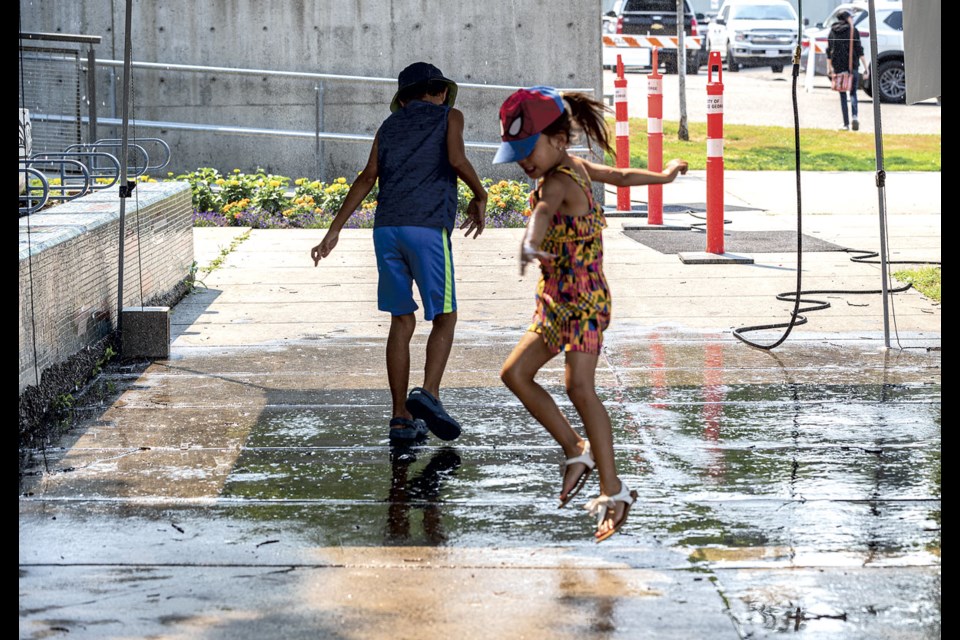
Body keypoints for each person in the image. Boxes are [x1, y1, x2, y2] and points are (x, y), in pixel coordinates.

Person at [494, 86, 687, 542]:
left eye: (528, 150)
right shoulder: (570, 167)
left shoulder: (560, 179)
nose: (523, 162)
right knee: (515, 374)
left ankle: (613, 490)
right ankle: (575, 448)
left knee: (579, 387)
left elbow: (542, 212)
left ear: (558, 138)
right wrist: (662, 176)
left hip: (583, 301)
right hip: (555, 300)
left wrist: (529, 240)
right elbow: (618, 175)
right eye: (516, 153)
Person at [312, 62, 487, 445]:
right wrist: (480, 193)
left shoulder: (389, 126)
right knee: (445, 315)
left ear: (404, 98)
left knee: (401, 320)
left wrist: (334, 230)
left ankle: (399, 418)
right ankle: (430, 395)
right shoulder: (450, 116)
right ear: (440, 92)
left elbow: (366, 177)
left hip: (387, 230)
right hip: (425, 228)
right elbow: (457, 160)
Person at [826, 11, 868, 131]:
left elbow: (829, 51)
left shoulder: (832, 31)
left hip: (838, 68)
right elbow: (859, 50)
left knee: (843, 95)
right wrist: (866, 68)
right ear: (847, 18)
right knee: (853, 93)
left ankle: (846, 124)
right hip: (852, 67)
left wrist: (829, 68)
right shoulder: (853, 31)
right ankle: (855, 116)